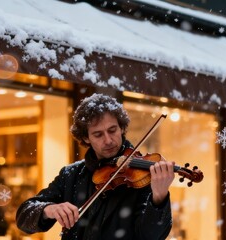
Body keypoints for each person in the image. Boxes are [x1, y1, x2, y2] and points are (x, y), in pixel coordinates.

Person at [16, 93, 175, 240]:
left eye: (112, 130)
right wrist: (48, 209)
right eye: (98, 134)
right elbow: (24, 218)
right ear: (86, 138)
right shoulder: (71, 175)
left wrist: (159, 198)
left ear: (121, 128)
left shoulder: (141, 177)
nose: (108, 140)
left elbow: (151, 236)